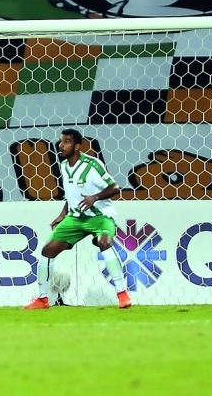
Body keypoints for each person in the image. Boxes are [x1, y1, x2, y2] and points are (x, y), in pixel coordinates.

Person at [25, 129, 131, 310]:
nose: (61, 145)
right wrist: (62, 214)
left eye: (66, 142)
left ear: (77, 146)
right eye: (60, 142)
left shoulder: (92, 164)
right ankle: (42, 299)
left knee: (105, 242)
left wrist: (94, 198)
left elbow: (115, 187)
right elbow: (71, 196)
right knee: (47, 250)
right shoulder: (64, 166)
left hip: (100, 216)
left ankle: (123, 295)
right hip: (75, 217)